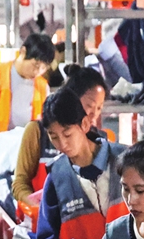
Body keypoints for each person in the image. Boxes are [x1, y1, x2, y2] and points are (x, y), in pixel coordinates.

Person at [35, 89, 127, 239]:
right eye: (54, 137)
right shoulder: (57, 177)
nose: (62, 144)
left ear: (84, 124)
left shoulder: (129, 160)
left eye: (67, 134)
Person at [14, 65, 109, 205]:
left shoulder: (101, 141)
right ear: (72, 99)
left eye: (99, 108)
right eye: (90, 105)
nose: (94, 114)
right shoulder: (37, 131)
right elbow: (20, 182)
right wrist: (39, 207)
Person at [0, 33, 55, 165]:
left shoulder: (42, 87)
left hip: (20, 161)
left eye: (43, 68)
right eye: (36, 65)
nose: (38, 71)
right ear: (23, 52)